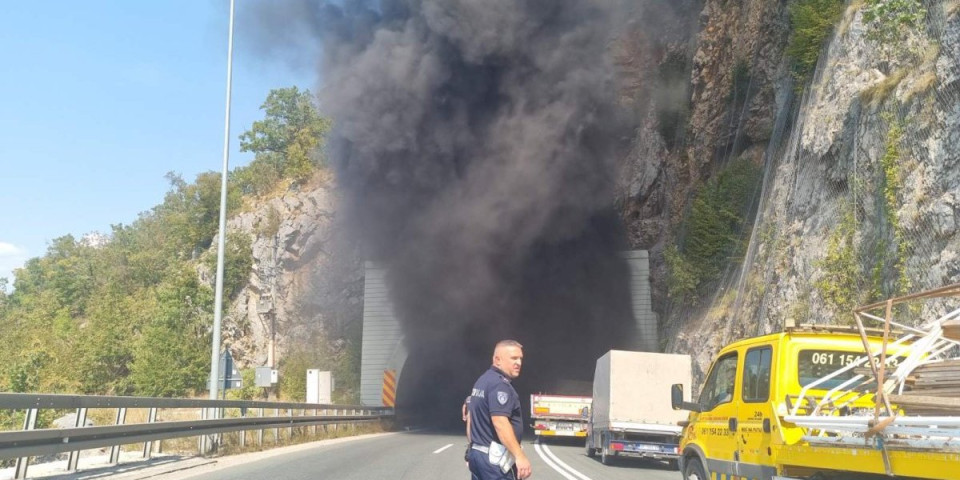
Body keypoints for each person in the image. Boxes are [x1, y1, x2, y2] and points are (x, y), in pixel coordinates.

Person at [466, 340, 531, 480]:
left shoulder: (482, 381)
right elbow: (500, 422)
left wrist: (470, 450)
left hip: (478, 456)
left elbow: (471, 418)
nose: (519, 363)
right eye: (513, 358)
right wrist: (520, 456)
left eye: (520, 358)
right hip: (494, 462)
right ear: (497, 360)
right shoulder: (500, 385)